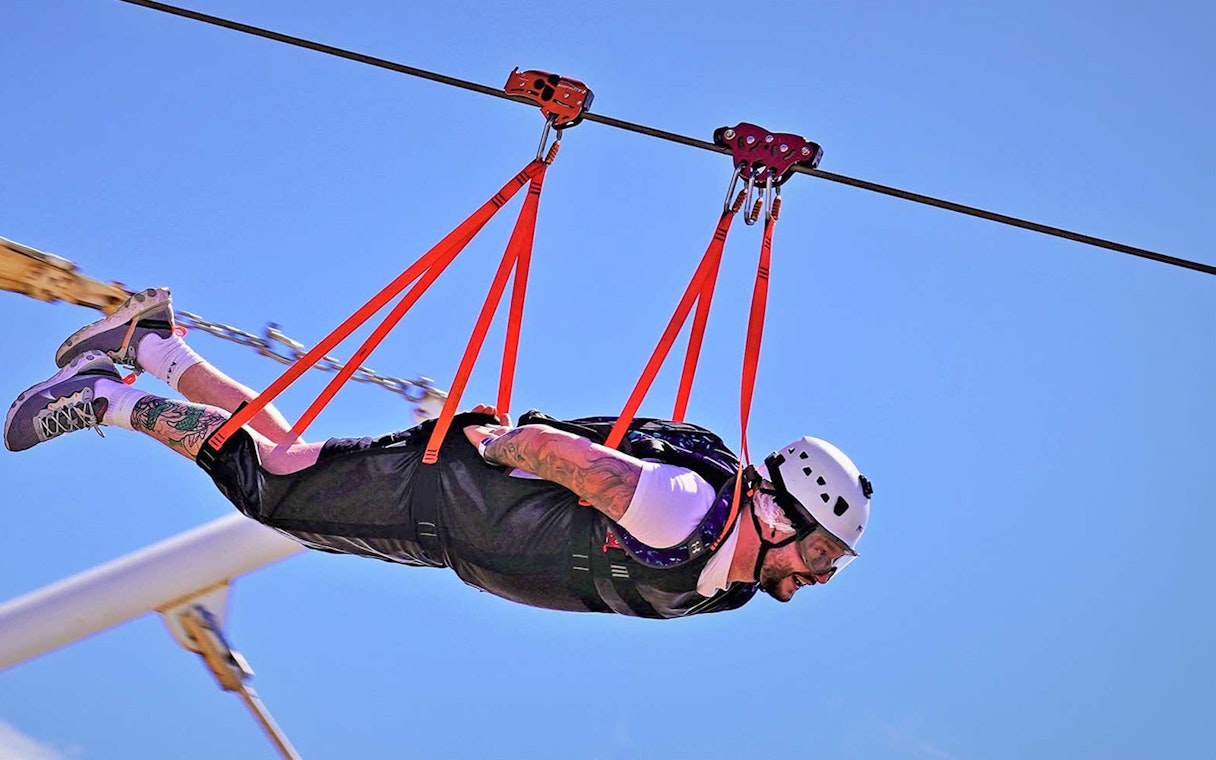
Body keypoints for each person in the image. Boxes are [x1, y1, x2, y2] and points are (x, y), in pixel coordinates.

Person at [5, 288, 873, 619]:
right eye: (823, 551)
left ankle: (153, 343)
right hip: (444, 496)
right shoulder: (687, 509)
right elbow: (566, 460)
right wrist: (493, 443)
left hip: (446, 525)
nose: (819, 576)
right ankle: (110, 397)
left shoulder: (722, 575)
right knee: (270, 495)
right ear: (774, 510)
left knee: (287, 465)